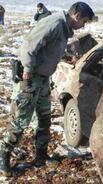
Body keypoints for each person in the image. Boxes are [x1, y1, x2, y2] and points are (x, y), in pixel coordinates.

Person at [0, 2, 95, 176]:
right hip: (30, 78)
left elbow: (51, 48)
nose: (84, 26)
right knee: (20, 121)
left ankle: (41, 157)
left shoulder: (64, 28)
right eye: (85, 21)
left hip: (43, 80)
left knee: (44, 120)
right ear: (77, 16)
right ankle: (2, 159)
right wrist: (27, 70)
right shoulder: (55, 23)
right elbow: (29, 45)